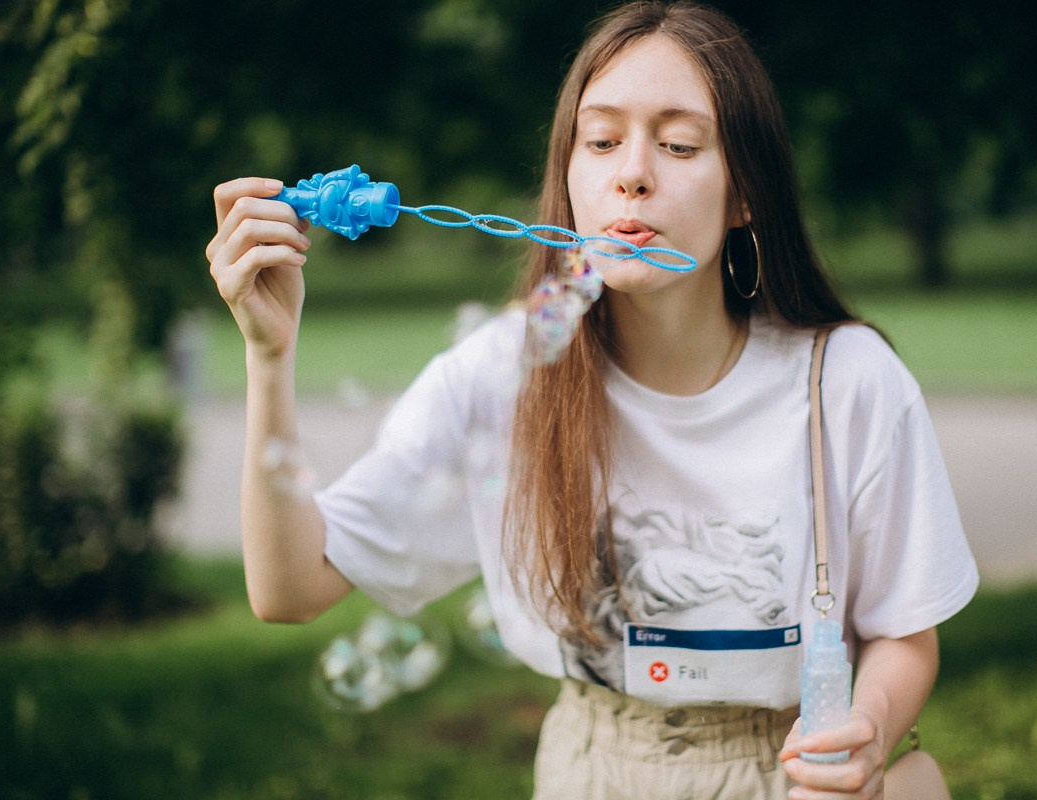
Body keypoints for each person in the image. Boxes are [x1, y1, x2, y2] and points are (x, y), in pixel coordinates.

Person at [205, 2, 978, 798]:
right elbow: (288, 587)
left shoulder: (848, 381)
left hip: (795, 775)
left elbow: (904, 636)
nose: (632, 172)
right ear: (569, 179)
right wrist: (271, 357)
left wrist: (869, 728)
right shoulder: (502, 376)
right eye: (602, 140)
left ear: (747, 192)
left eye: (679, 144)